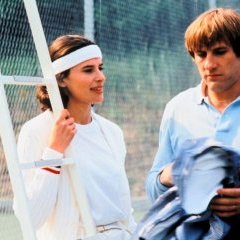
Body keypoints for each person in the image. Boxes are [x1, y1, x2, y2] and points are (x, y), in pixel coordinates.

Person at [13, 34, 136, 240]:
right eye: (88, 70)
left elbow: (124, 210)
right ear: (61, 79)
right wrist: (54, 152)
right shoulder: (36, 131)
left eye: (100, 68)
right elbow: (31, 217)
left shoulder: (111, 131)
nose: (100, 76)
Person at [146, 7, 240, 238]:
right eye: (201, 54)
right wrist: (170, 175)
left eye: (219, 52)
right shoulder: (178, 108)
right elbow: (153, 187)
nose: (209, 64)